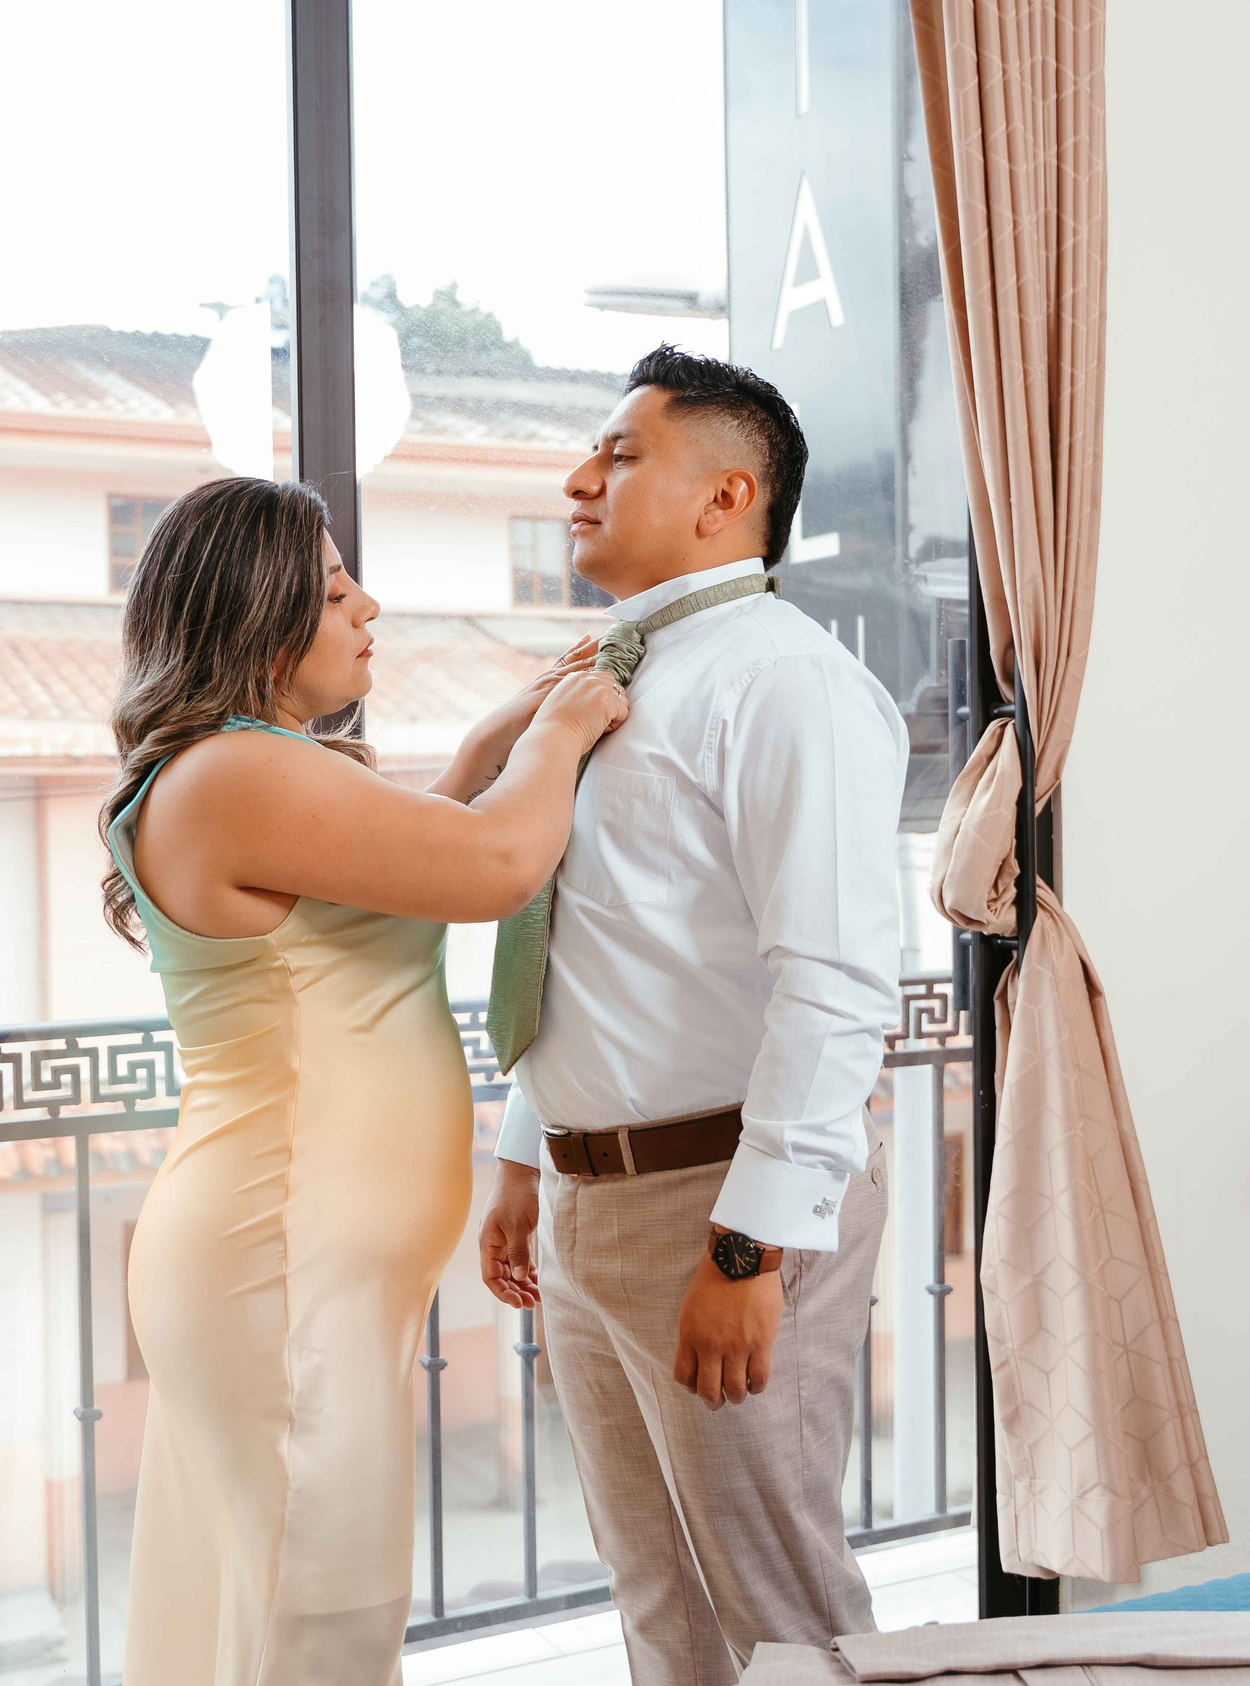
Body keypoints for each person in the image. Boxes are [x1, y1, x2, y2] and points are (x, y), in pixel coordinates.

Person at [103, 475, 627, 1686]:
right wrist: (558, 734)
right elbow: (493, 862)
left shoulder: (253, 768)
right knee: (321, 1616)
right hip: (281, 1262)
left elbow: (402, 849)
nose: (367, 607)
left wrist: (497, 738)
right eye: (336, 590)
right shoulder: (236, 773)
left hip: (296, 1261)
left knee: (285, 1603)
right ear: (259, 612)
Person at [477, 346, 907, 1685]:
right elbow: (598, 938)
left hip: (714, 1200)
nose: (577, 479)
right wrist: (523, 1157)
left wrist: (746, 1248)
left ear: (728, 497)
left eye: (619, 455)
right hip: (587, 1198)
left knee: (778, 1605)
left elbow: (834, 979)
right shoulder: (606, 677)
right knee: (657, 1596)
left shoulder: (784, 680)